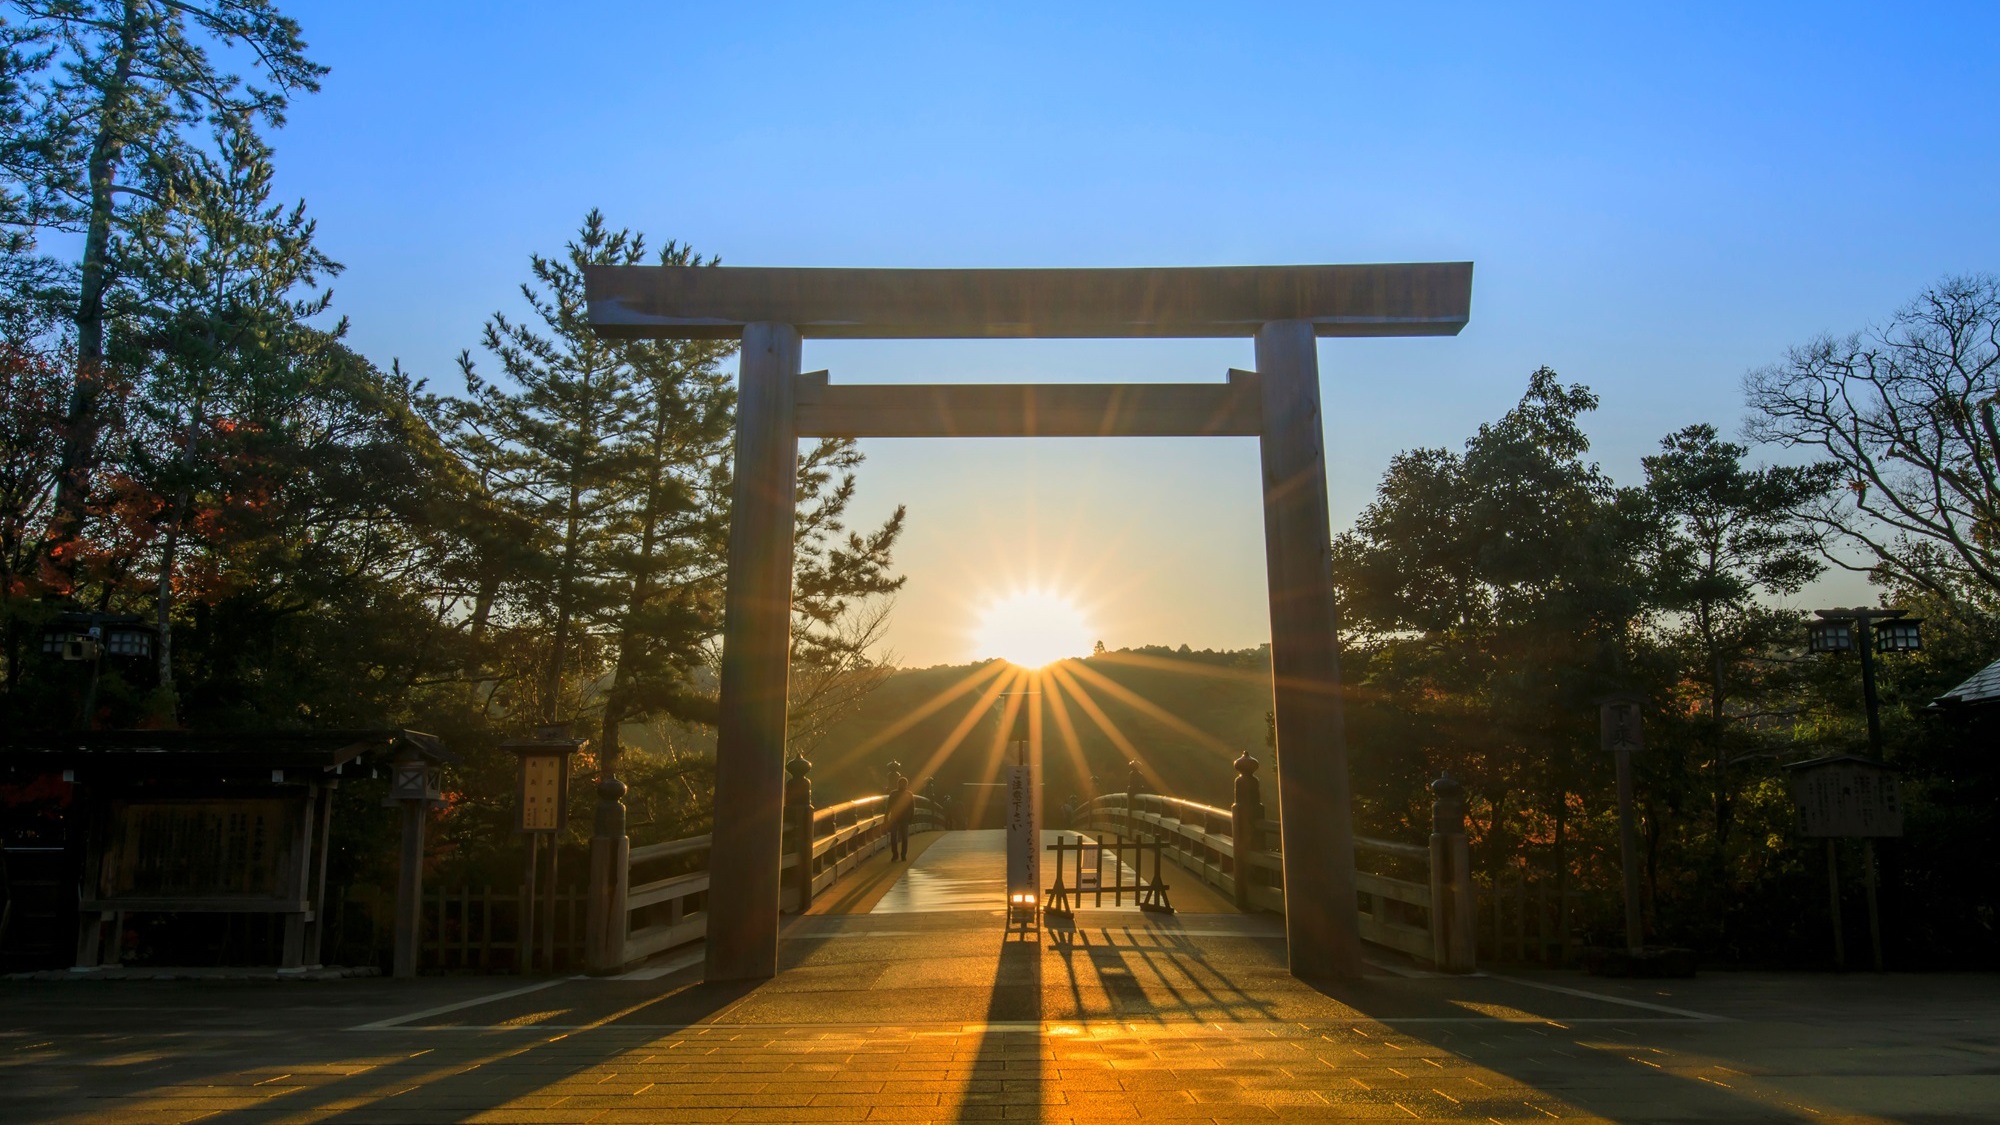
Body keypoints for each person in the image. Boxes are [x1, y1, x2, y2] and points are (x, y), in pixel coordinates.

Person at [886, 775, 914, 861]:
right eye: (901, 784)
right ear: (898, 784)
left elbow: (912, 808)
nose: (902, 785)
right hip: (894, 818)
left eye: (904, 784)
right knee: (893, 837)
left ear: (906, 785)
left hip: (905, 819)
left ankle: (903, 854)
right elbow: (888, 807)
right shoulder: (893, 794)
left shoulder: (909, 794)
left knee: (905, 837)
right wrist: (886, 818)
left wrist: (911, 818)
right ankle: (895, 854)